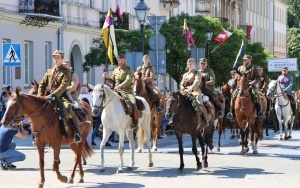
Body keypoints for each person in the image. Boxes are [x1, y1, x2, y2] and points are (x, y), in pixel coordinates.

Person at [37, 50, 82, 143]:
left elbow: (63, 86)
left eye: (58, 58)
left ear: (62, 59)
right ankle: (37, 135)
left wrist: (52, 95)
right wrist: (39, 96)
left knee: (69, 108)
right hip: (48, 95)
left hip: (61, 96)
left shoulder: (66, 72)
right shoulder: (49, 71)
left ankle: (77, 133)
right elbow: (42, 83)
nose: (55, 60)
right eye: (54, 58)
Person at [103, 54, 138, 129]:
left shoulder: (129, 69)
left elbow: (128, 80)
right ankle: (105, 122)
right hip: (116, 90)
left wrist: (120, 86)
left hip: (127, 91)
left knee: (133, 102)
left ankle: (134, 121)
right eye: (119, 60)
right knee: (105, 101)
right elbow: (112, 80)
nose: (120, 62)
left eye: (122, 60)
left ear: (125, 60)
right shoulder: (115, 70)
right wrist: (107, 77)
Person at [227, 54, 263, 120]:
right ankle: (231, 112)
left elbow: (258, 77)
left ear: (250, 60)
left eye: (246, 59)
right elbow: (236, 78)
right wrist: (233, 87)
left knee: (256, 95)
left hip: (250, 86)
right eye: (243, 59)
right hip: (241, 86)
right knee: (233, 96)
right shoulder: (240, 68)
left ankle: (259, 111)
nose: (244, 60)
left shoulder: (254, 67)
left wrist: (252, 82)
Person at [179, 58, 208, 130]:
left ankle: (204, 119)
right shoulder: (185, 74)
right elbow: (181, 83)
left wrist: (191, 88)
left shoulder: (197, 73)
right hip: (185, 91)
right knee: (176, 100)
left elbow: (197, 82)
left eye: (191, 64)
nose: (189, 65)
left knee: (198, 102)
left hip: (195, 91)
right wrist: (182, 87)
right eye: (188, 64)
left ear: (194, 64)